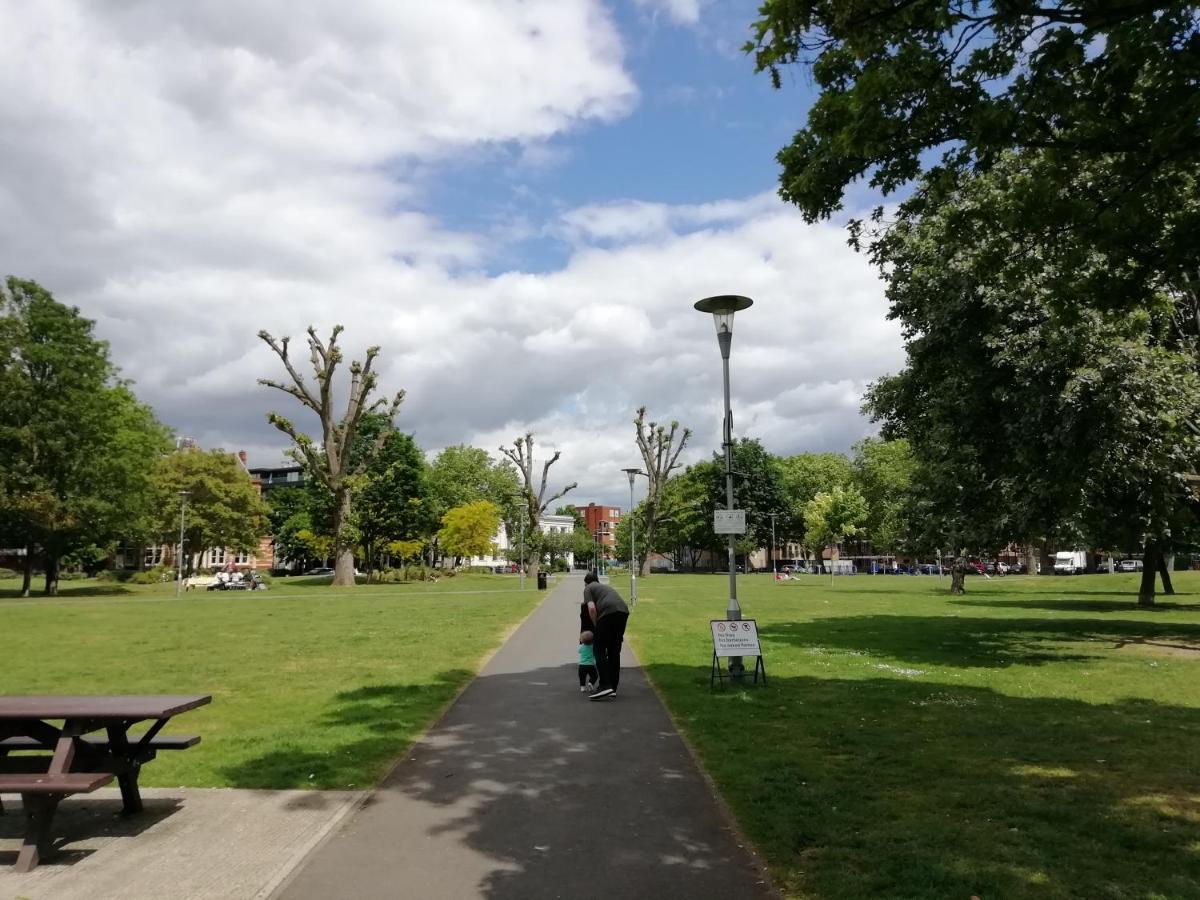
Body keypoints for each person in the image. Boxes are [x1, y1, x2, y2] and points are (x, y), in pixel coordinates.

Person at [583, 570, 629, 700]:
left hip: (608, 613)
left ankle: (604, 685)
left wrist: (596, 625)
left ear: (586, 583)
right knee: (614, 651)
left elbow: (591, 608)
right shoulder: (604, 587)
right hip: (623, 612)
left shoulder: (588, 588)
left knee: (598, 648)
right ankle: (612, 688)